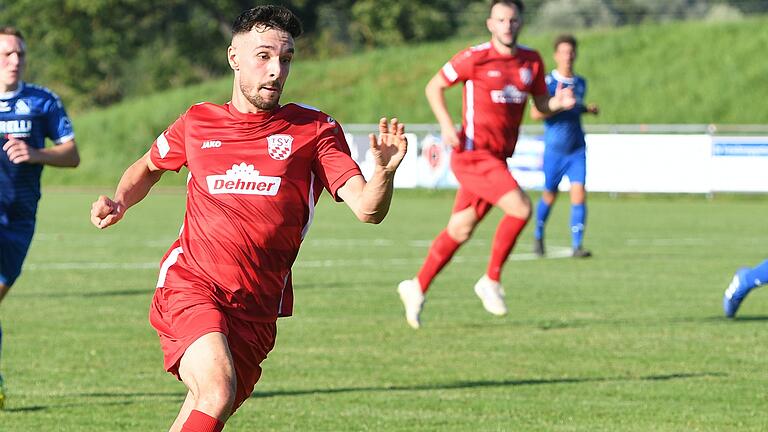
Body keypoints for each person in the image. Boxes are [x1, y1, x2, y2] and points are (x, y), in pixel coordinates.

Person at [90, 6, 407, 431]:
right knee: (216, 390)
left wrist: (383, 174)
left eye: (286, 58)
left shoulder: (313, 129)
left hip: (258, 307)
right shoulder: (198, 121)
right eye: (264, 56)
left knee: (204, 407)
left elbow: (368, 209)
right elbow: (147, 166)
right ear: (233, 57)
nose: (276, 70)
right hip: (192, 284)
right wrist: (121, 201)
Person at [396, 0, 576, 330]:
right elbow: (434, 86)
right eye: (501, 19)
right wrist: (447, 125)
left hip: (497, 158)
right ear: (490, 24)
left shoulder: (531, 61)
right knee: (521, 208)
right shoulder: (474, 57)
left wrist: (557, 104)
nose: (507, 25)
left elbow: (539, 104)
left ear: (521, 23)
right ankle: (490, 280)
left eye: (513, 20)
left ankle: (416, 287)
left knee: (460, 230)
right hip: (473, 154)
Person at [0, 26, 80, 409]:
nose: (15, 61)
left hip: (19, 218)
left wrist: (36, 154)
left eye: (20, 55)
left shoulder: (42, 101)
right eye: (7, 54)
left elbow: (72, 154)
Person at [530, 34, 599, 258]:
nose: (567, 57)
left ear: (575, 55)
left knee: (579, 193)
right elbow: (535, 113)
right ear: (556, 55)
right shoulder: (548, 83)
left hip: (576, 149)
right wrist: (558, 104)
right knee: (549, 194)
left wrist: (587, 109)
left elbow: (575, 108)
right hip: (554, 150)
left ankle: (577, 245)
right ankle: (538, 234)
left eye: (571, 52)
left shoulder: (580, 83)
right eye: (563, 52)